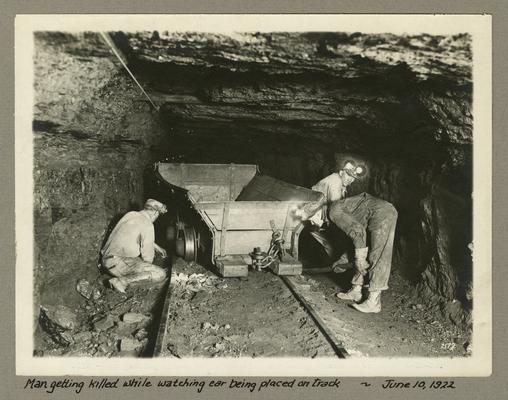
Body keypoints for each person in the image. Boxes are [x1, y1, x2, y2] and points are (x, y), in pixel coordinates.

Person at [299, 160, 367, 269]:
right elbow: (336, 208)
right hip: (312, 215)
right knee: (340, 235)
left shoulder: (339, 181)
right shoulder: (335, 182)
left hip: (313, 213)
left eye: (353, 178)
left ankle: (334, 263)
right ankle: (337, 264)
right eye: (348, 175)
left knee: (330, 241)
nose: (350, 179)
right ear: (341, 172)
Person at [101, 199, 169, 293]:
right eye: (158, 215)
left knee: (138, 261)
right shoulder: (148, 225)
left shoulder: (131, 215)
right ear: (155, 213)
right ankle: (121, 282)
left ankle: (124, 279)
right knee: (160, 274)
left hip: (108, 258)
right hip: (116, 263)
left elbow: (132, 235)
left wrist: (156, 247)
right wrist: (149, 268)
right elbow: (148, 257)